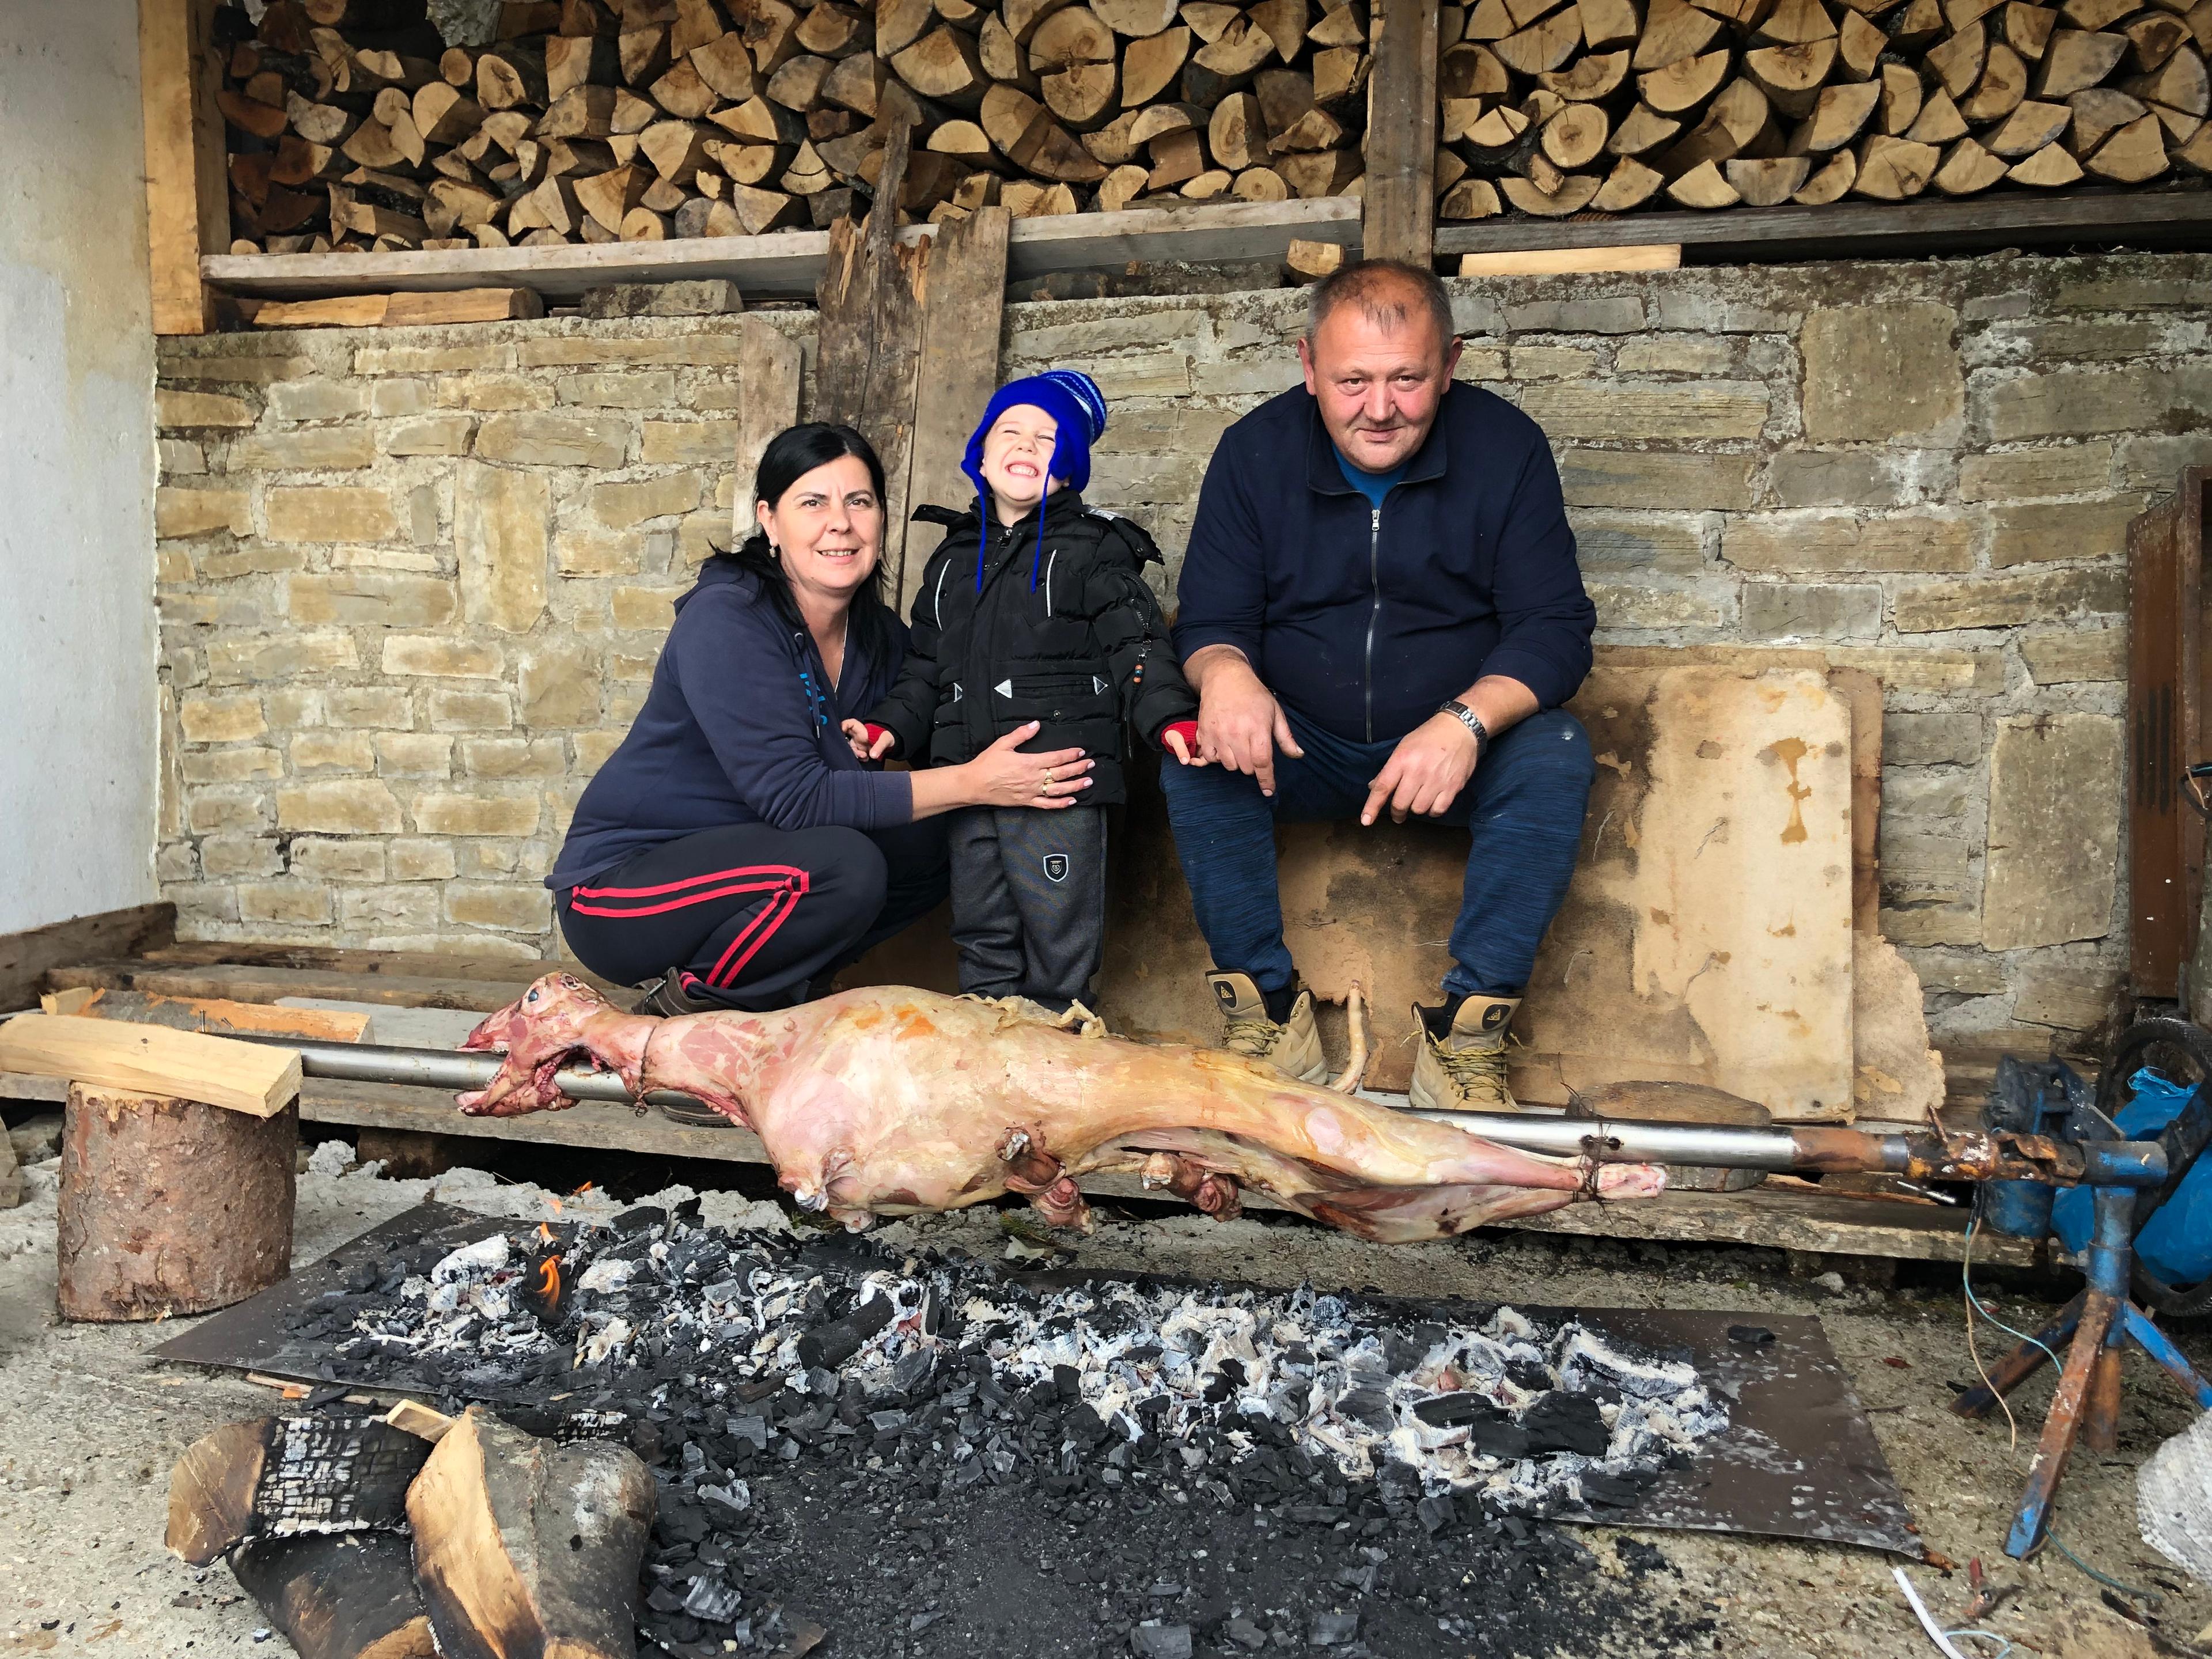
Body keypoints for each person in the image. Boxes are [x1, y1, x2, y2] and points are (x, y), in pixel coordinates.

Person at [546, 423, 1096, 1102]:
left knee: (936, 844)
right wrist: (974, 781)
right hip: (623, 890)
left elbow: (956, 707)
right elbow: (797, 802)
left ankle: (780, 1000)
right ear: (769, 521)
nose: (840, 524)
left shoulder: (879, 638)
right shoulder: (727, 618)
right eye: (813, 503)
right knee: (844, 865)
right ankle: (691, 1026)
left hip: (756, 870)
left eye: (860, 502)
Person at [1161, 259, 1598, 1113]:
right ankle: (1268, 1019)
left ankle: (1467, 1042)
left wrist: (1466, 722)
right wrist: (1227, 676)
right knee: (1194, 745)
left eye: (1408, 380)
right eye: (1353, 381)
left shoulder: (1508, 450)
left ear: (1452, 364)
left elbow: (1554, 629)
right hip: (1300, 746)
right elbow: (1209, 618)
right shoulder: (1254, 452)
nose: (1380, 408)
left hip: (1449, 751)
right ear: (1308, 366)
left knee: (1556, 749)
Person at [849, 370, 1200, 1012]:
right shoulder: (952, 560)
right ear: (980, 455)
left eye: (1048, 439)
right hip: (968, 777)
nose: (1027, 446)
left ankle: (1060, 1038)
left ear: (1068, 469)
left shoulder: (1096, 550)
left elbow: (1138, 644)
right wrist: (889, 727)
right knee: (981, 922)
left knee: (1056, 925)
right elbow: (926, 664)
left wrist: (1170, 719)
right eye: (1010, 432)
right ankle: (991, 1038)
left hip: (1056, 780)